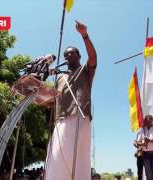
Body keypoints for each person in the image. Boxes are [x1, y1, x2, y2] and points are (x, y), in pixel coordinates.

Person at [45, 20, 97, 180]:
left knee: (78, 160)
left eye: (72, 53)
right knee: (56, 157)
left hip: (79, 116)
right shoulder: (59, 76)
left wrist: (84, 35)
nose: (68, 55)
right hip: (60, 119)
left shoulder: (85, 70)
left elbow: (94, 57)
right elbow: (54, 100)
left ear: (79, 55)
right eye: (66, 54)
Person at [136, 115, 153, 180]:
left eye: (149, 119)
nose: (148, 120)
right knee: (149, 175)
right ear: (145, 121)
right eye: (146, 119)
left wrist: (150, 140)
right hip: (145, 155)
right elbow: (137, 142)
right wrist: (142, 144)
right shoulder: (141, 130)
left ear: (152, 120)